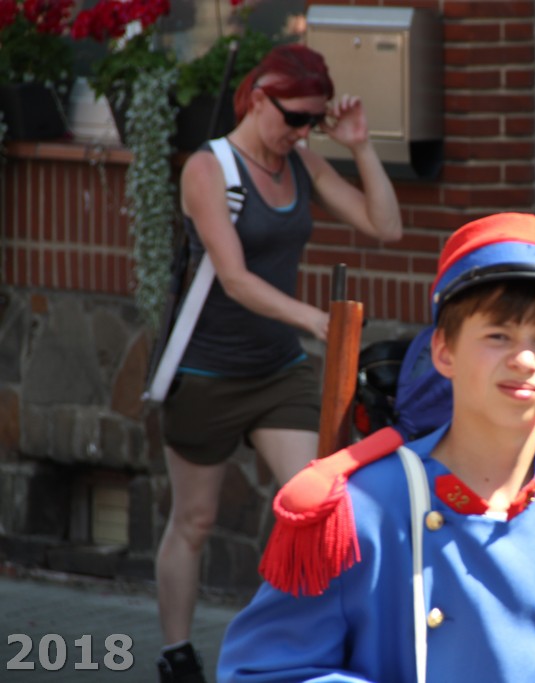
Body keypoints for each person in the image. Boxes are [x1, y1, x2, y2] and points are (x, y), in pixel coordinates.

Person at [217, 212, 535, 683]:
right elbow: (264, 672)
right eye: (498, 335)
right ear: (444, 352)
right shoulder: (359, 510)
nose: (524, 359)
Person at [155, 44, 402, 683]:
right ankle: (176, 654)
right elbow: (234, 278)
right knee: (195, 519)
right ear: (259, 97)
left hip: (277, 371)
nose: (300, 131)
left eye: (312, 121)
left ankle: (298, 641)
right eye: (294, 117)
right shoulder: (208, 169)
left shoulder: (302, 161)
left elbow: (385, 227)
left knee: (318, 503)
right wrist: (316, 320)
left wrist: (360, 146)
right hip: (207, 371)